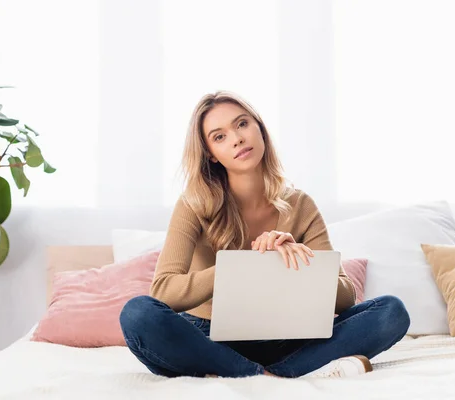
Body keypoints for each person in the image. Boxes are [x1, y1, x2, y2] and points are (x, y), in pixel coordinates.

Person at [119, 91, 410, 379]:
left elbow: (346, 298)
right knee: (137, 314)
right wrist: (239, 268)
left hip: (291, 336)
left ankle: (259, 374)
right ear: (210, 153)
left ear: (260, 128)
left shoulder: (300, 204)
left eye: (242, 124)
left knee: (391, 312)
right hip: (209, 339)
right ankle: (280, 373)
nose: (237, 139)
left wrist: (302, 263)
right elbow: (163, 291)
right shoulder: (194, 203)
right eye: (219, 137)